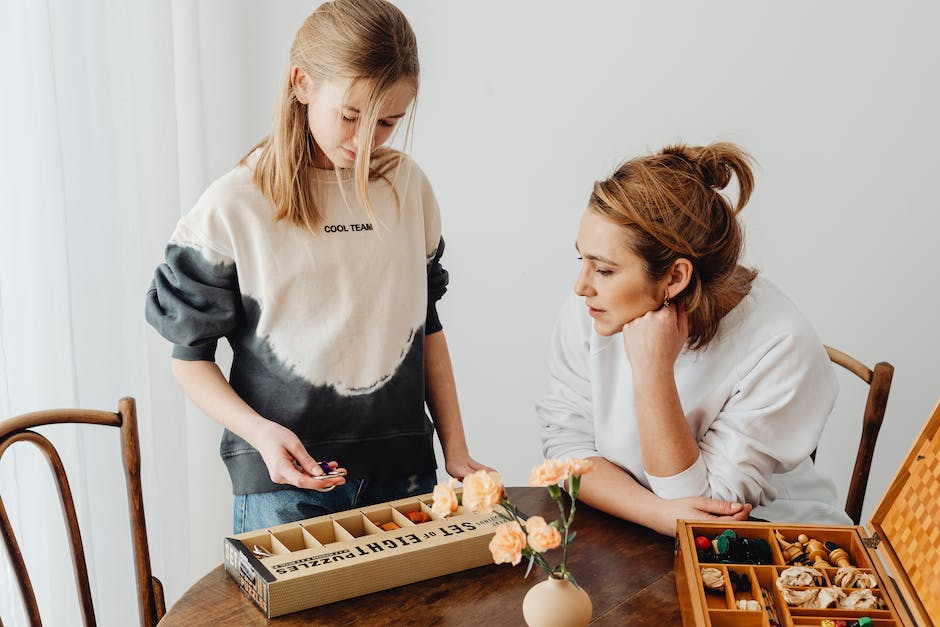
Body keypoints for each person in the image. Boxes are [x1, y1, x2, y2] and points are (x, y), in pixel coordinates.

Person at [145, 0, 488, 534]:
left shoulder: (408, 188)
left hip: (407, 480)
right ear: (301, 83)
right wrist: (260, 434)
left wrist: (456, 448)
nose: (364, 142)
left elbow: (428, 328)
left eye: (388, 123)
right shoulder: (233, 206)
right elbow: (189, 358)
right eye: (351, 117)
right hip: (285, 491)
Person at [536, 142, 851, 537]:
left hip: (771, 542)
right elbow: (566, 448)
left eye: (602, 269)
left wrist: (653, 374)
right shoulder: (598, 304)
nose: (581, 286)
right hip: (638, 530)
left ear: (675, 278)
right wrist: (652, 512)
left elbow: (707, 511)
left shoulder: (781, 346)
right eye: (582, 260)